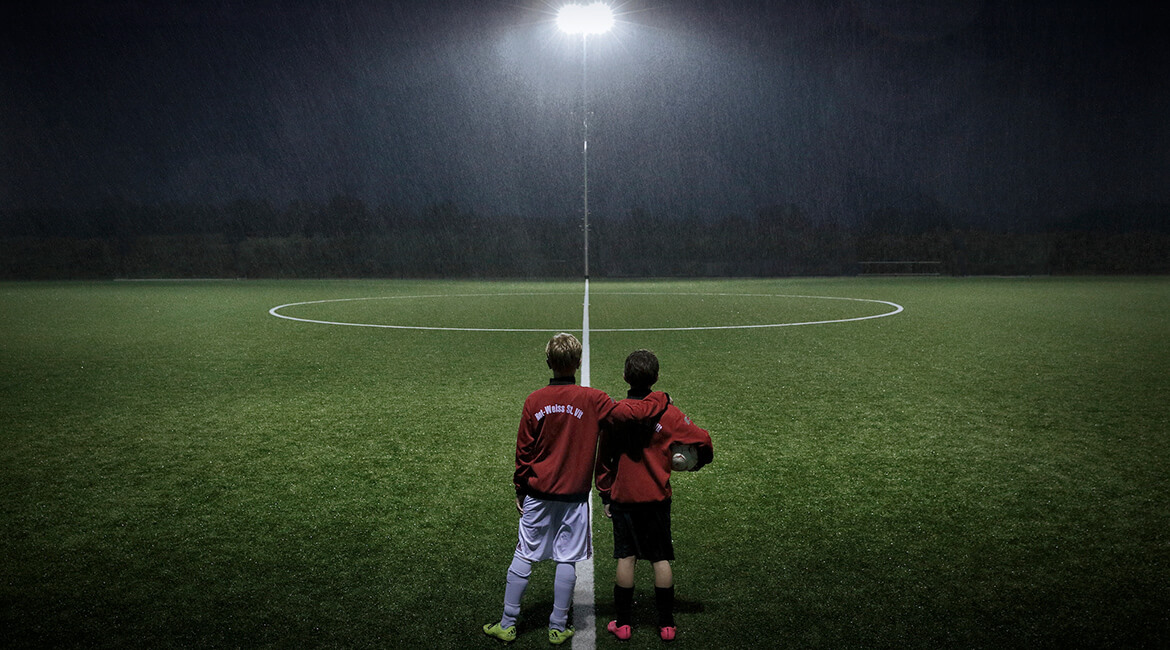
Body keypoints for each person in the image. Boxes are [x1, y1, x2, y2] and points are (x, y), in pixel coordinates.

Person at [483, 333, 669, 645]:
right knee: (566, 558)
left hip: (538, 493)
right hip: (573, 496)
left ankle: (507, 622)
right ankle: (558, 625)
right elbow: (630, 413)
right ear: (579, 363)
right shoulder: (594, 399)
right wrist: (660, 399)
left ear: (548, 363)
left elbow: (523, 451)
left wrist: (520, 487)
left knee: (524, 553)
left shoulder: (534, 400)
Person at [597, 349, 713, 642]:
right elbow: (703, 439)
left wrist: (605, 494)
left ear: (625, 377)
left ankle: (623, 624)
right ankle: (666, 625)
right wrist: (699, 461)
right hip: (657, 499)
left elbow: (603, 458)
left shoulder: (615, 414)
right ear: (656, 378)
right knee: (660, 560)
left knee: (626, 557)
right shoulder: (668, 412)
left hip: (623, 497)